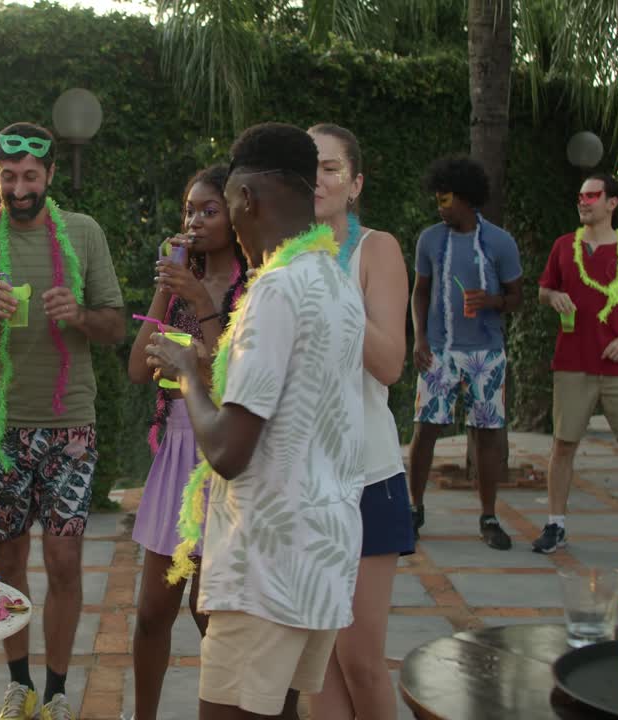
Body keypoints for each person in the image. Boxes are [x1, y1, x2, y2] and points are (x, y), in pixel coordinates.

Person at [147, 122, 365, 720]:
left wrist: (188, 374)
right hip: (323, 553)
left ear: (245, 199)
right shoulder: (336, 282)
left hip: (266, 565)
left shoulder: (274, 291)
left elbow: (227, 451)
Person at [0, 122, 126, 720]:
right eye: (8, 176)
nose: (19, 188)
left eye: (30, 176)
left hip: (69, 423)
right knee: (8, 561)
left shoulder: (84, 232)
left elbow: (115, 326)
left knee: (65, 560)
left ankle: (57, 692)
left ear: (49, 175)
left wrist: (79, 315)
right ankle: (18, 684)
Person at [125, 165, 249, 720]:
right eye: (188, 210)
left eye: (209, 210)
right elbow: (137, 369)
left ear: (236, 216)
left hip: (222, 456)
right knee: (152, 612)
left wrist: (200, 299)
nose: (194, 221)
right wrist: (165, 289)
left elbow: (234, 380)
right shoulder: (176, 288)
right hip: (175, 454)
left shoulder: (253, 286)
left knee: (209, 615)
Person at [307, 124, 413, 720]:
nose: (317, 179)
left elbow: (390, 363)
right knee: (316, 664)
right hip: (303, 484)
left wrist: (328, 282)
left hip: (366, 477)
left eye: (330, 168)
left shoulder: (377, 249)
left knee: (361, 661)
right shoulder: (278, 255)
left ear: (355, 185)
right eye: (308, 167)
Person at [534, 173, 618, 563]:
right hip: (573, 362)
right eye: (581, 196)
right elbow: (543, 289)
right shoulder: (564, 246)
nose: (584, 201)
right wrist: (553, 297)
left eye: (592, 195)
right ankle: (555, 524)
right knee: (563, 444)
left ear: (612, 203)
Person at [407, 155, 522, 550]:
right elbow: (420, 292)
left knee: (486, 434)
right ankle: (414, 509)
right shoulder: (430, 239)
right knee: (425, 429)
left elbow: (517, 297)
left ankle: (488, 517)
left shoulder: (500, 242)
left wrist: (492, 301)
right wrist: (420, 339)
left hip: (486, 354)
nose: (439, 206)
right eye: (437, 198)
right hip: (438, 352)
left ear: (466, 198)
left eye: (445, 199)